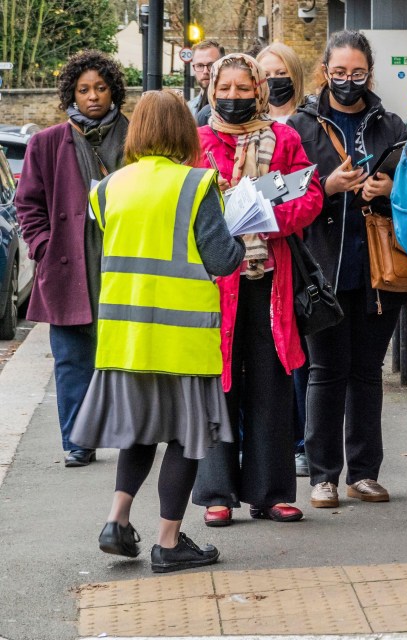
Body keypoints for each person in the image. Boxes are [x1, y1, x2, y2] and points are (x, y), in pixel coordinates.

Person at [70, 90, 244, 573]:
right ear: (184, 132)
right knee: (186, 439)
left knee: (139, 434)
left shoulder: (107, 189)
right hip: (181, 339)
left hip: (126, 338)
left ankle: (117, 521)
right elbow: (222, 259)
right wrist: (239, 231)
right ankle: (168, 542)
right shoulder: (195, 184)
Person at [191, 53, 323, 527]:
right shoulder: (198, 140)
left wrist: (269, 219)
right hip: (214, 283)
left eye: (244, 89)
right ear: (212, 90)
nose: (233, 97)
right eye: (224, 88)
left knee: (270, 384)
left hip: (271, 281)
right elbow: (186, 204)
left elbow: (308, 194)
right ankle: (215, 493)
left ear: (259, 90)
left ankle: (270, 492)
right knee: (218, 383)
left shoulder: (285, 137)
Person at [288, 30, 407, 510]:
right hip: (323, 271)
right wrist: (327, 184)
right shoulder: (301, 126)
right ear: (324, 71)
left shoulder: (391, 123)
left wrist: (389, 188)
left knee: (366, 371)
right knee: (325, 371)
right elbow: (288, 194)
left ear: (369, 73)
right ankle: (323, 476)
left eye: (357, 73)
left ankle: (364, 473)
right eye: (339, 73)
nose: (347, 81)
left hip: (380, 270)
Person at [15, 50, 129, 468]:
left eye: (100, 88)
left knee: (123, 358)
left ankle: (130, 433)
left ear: (113, 90)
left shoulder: (134, 137)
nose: (93, 97)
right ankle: (77, 441)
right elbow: (28, 204)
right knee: (71, 361)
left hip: (121, 263)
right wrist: (43, 247)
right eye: (84, 90)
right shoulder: (46, 142)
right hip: (67, 265)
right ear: (72, 95)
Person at [256, 42, 310, 476]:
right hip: (251, 261)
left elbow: (307, 188)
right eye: (265, 72)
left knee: (299, 357)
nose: (274, 80)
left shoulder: (304, 127)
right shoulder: (232, 129)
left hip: (302, 253)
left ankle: (301, 442)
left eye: (280, 72)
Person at [257, 43, 306, 125]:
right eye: (266, 75)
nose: (273, 79)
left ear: (295, 75)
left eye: (281, 73)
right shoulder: (253, 124)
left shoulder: (313, 120)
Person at [188, 40, 225, 120]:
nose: (205, 71)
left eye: (211, 65)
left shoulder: (231, 107)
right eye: (200, 65)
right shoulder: (187, 110)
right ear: (194, 68)